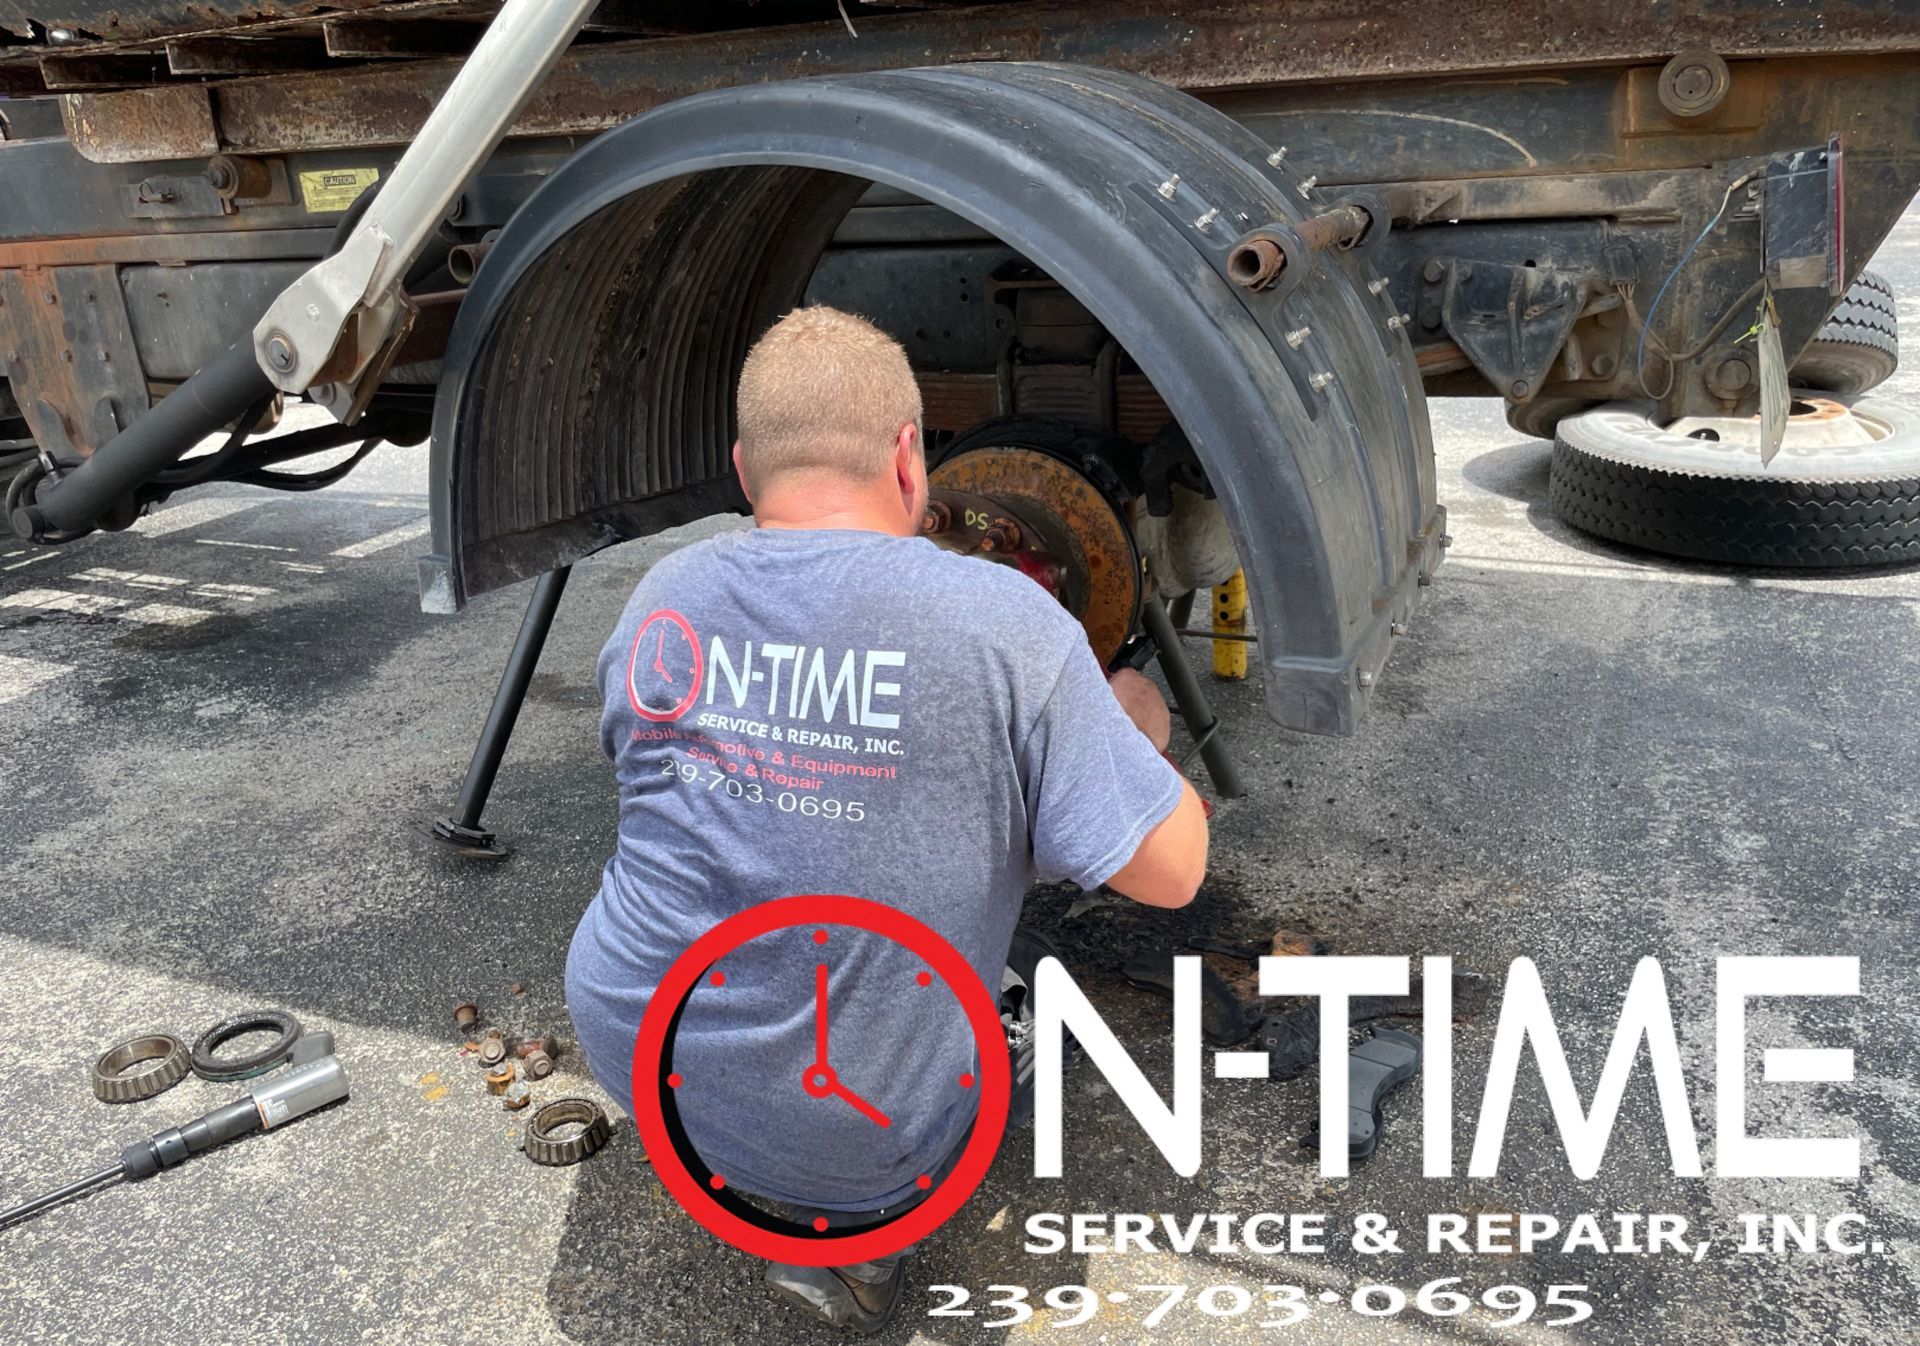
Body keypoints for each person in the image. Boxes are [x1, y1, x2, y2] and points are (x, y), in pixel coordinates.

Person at [565, 305, 1209, 1333]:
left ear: (745, 470)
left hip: (630, 1047)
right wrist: (1128, 728)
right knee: (1022, 1001)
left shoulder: (664, 591)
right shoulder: (1008, 625)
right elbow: (1172, 873)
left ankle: (741, 1146)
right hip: (856, 1138)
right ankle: (859, 1241)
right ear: (911, 460)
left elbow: (649, 774)